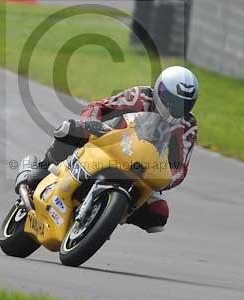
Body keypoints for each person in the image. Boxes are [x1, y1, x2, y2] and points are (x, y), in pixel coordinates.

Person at [14, 66, 199, 233]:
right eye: (171, 100)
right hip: (113, 141)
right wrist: (89, 124)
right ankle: (39, 173)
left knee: (158, 215)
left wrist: (164, 179)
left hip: (145, 169)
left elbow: (180, 167)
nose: (175, 107)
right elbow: (100, 107)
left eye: (183, 104)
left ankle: (106, 215)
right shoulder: (140, 96)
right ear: (159, 90)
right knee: (69, 129)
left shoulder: (188, 125)